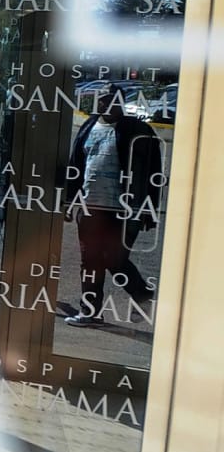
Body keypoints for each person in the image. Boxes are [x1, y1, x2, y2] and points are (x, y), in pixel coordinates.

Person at [62, 87, 162, 327]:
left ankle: (142, 294)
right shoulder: (88, 127)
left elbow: (154, 172)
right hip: (90, 207)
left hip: (124, 209)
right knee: (90, 261)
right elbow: (76, 166)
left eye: (112, 99)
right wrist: (69, 200)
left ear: (121, 102)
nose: (106, 104)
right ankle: (90, 312)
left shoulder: (139, 130)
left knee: (113, 258)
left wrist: (149, 208)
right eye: (103, 99)